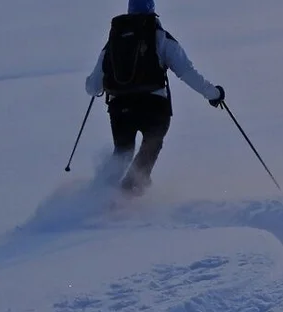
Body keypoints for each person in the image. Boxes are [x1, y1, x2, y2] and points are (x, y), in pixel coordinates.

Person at [84, 0, 226, 195]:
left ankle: (100, 196)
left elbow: (92, 87)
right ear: (153, 11)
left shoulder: (114, 42)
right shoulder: (161, 37)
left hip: (120, 107)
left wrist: (93, 85)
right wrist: (213, 94)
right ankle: (131, 190)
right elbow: (186, 72)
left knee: (123, 152)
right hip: (154, 106)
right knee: (152, 143)